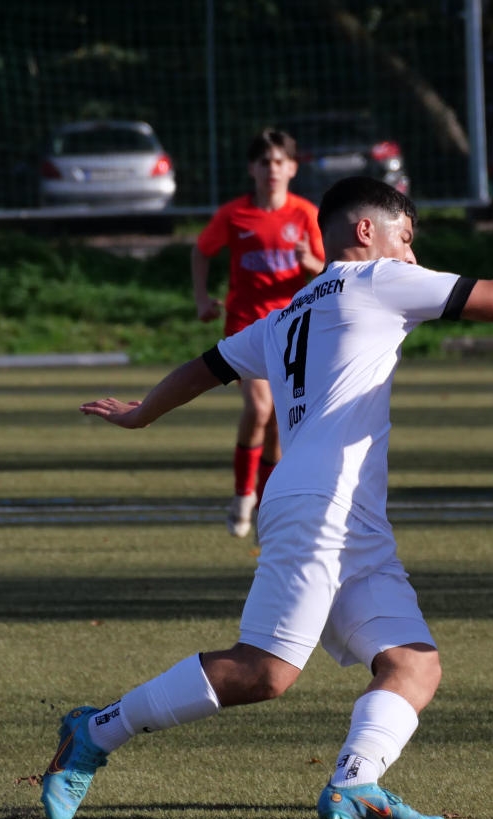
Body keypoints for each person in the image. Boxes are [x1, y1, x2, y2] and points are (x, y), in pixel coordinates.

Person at [43, 176, 493, 819]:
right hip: (320, 503)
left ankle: (354, 783)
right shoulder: (379, 278)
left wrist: (145, 411)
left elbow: (208, 366)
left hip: (348, 514)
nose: (412, 253)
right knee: (265, 672)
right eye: (406, 237)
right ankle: (96, 730)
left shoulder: (290, 312)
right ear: (366, 232)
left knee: (412, 664)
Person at [191, 128, 326, 539]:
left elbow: (326, 270)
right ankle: (241, 495)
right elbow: (201, 251)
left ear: (293, 168)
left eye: (280, 161)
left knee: (278, 424)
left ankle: (266, 505)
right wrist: (202, 299)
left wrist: (311, 264)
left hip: (291, 330)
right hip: (245, 326)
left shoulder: (305, 214)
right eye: (264, 162)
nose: (272, 169)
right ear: (252, 168)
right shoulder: (234, 214)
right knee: (260, 408)